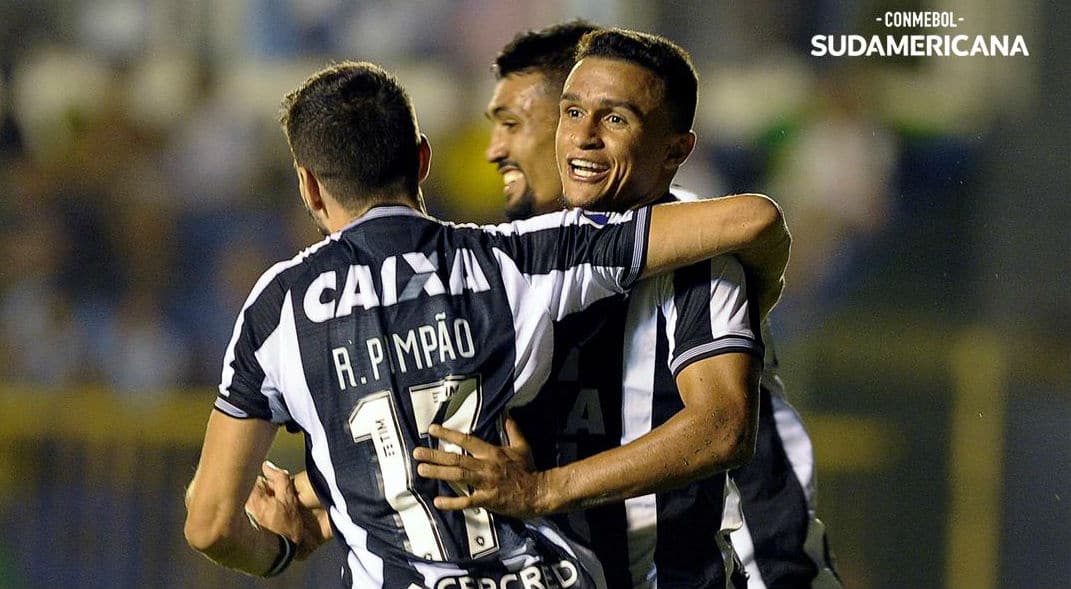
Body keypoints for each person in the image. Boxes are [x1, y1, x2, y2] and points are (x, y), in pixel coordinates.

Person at [248, 23, 839, 589]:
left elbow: (721, 428)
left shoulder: (697, 261)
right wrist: (319, 501)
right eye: (571, 114)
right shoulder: (517, 264)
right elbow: (452, 431)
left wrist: (543, 491)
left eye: (613, 118)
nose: (580, 136)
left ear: (673, 150)